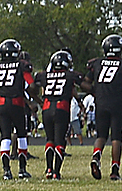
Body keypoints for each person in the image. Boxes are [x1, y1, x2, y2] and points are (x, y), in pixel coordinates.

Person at [86, 34, 122, 182]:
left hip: (101, 103)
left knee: (101, 136)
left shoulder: (96, 63)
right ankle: (114, 170)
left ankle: (96, 155)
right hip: (118, 103)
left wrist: (96, 91)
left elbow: (85, 83)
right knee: (116, 138)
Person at [0, 39, 35, 180]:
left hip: (0, 104)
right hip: (17, 103)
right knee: (21, 135)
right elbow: (31, 84)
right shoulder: (21, 65)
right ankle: (22, 170)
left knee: (5, 136)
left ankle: (6, 171)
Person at [34, 50, 88, 180]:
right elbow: (84, 85)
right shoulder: (70, 75)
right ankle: (56, 172)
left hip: (46, 108)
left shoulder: (43, 75)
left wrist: (38, 100)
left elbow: (31, 87)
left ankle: (48, 168)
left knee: (50, 139)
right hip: (61, 108)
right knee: (60, 141)